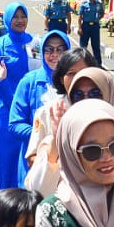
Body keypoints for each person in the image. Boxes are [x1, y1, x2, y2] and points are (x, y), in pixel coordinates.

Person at [24, 55, 109, 198]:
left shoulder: (109, 113)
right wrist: (54, 155)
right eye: (71, 73)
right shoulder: (48, 112)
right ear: (61, 78)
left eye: (84, 71)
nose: (79, 77)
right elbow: (32, 158)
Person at [0, 2, 37, 188]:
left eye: (23, 16)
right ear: (8, 19)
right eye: (15, 17)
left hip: (29, 111)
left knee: (30, 159)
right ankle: (7, 204)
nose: (19, 21)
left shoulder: (35, 43)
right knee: (6, 160)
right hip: (5, 110)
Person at [7, 29, 70, 183]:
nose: (54, 55)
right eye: (49, 50)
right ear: (42, 52)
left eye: (60, 49)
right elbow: (15, 124)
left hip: (67, 162)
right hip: (36, 160)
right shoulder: (29, 82)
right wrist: (44, 134)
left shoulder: (75, 81)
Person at [78, 0, 104, 65]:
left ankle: (98, 63)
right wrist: (80, 28)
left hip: (95, 27)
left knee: (96, 45)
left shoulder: (99, 4)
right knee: (83, 46)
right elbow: (79, 17)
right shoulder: (84, 5)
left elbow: (102, 13)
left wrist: (97, 19)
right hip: (85, 26)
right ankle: (82, 62)